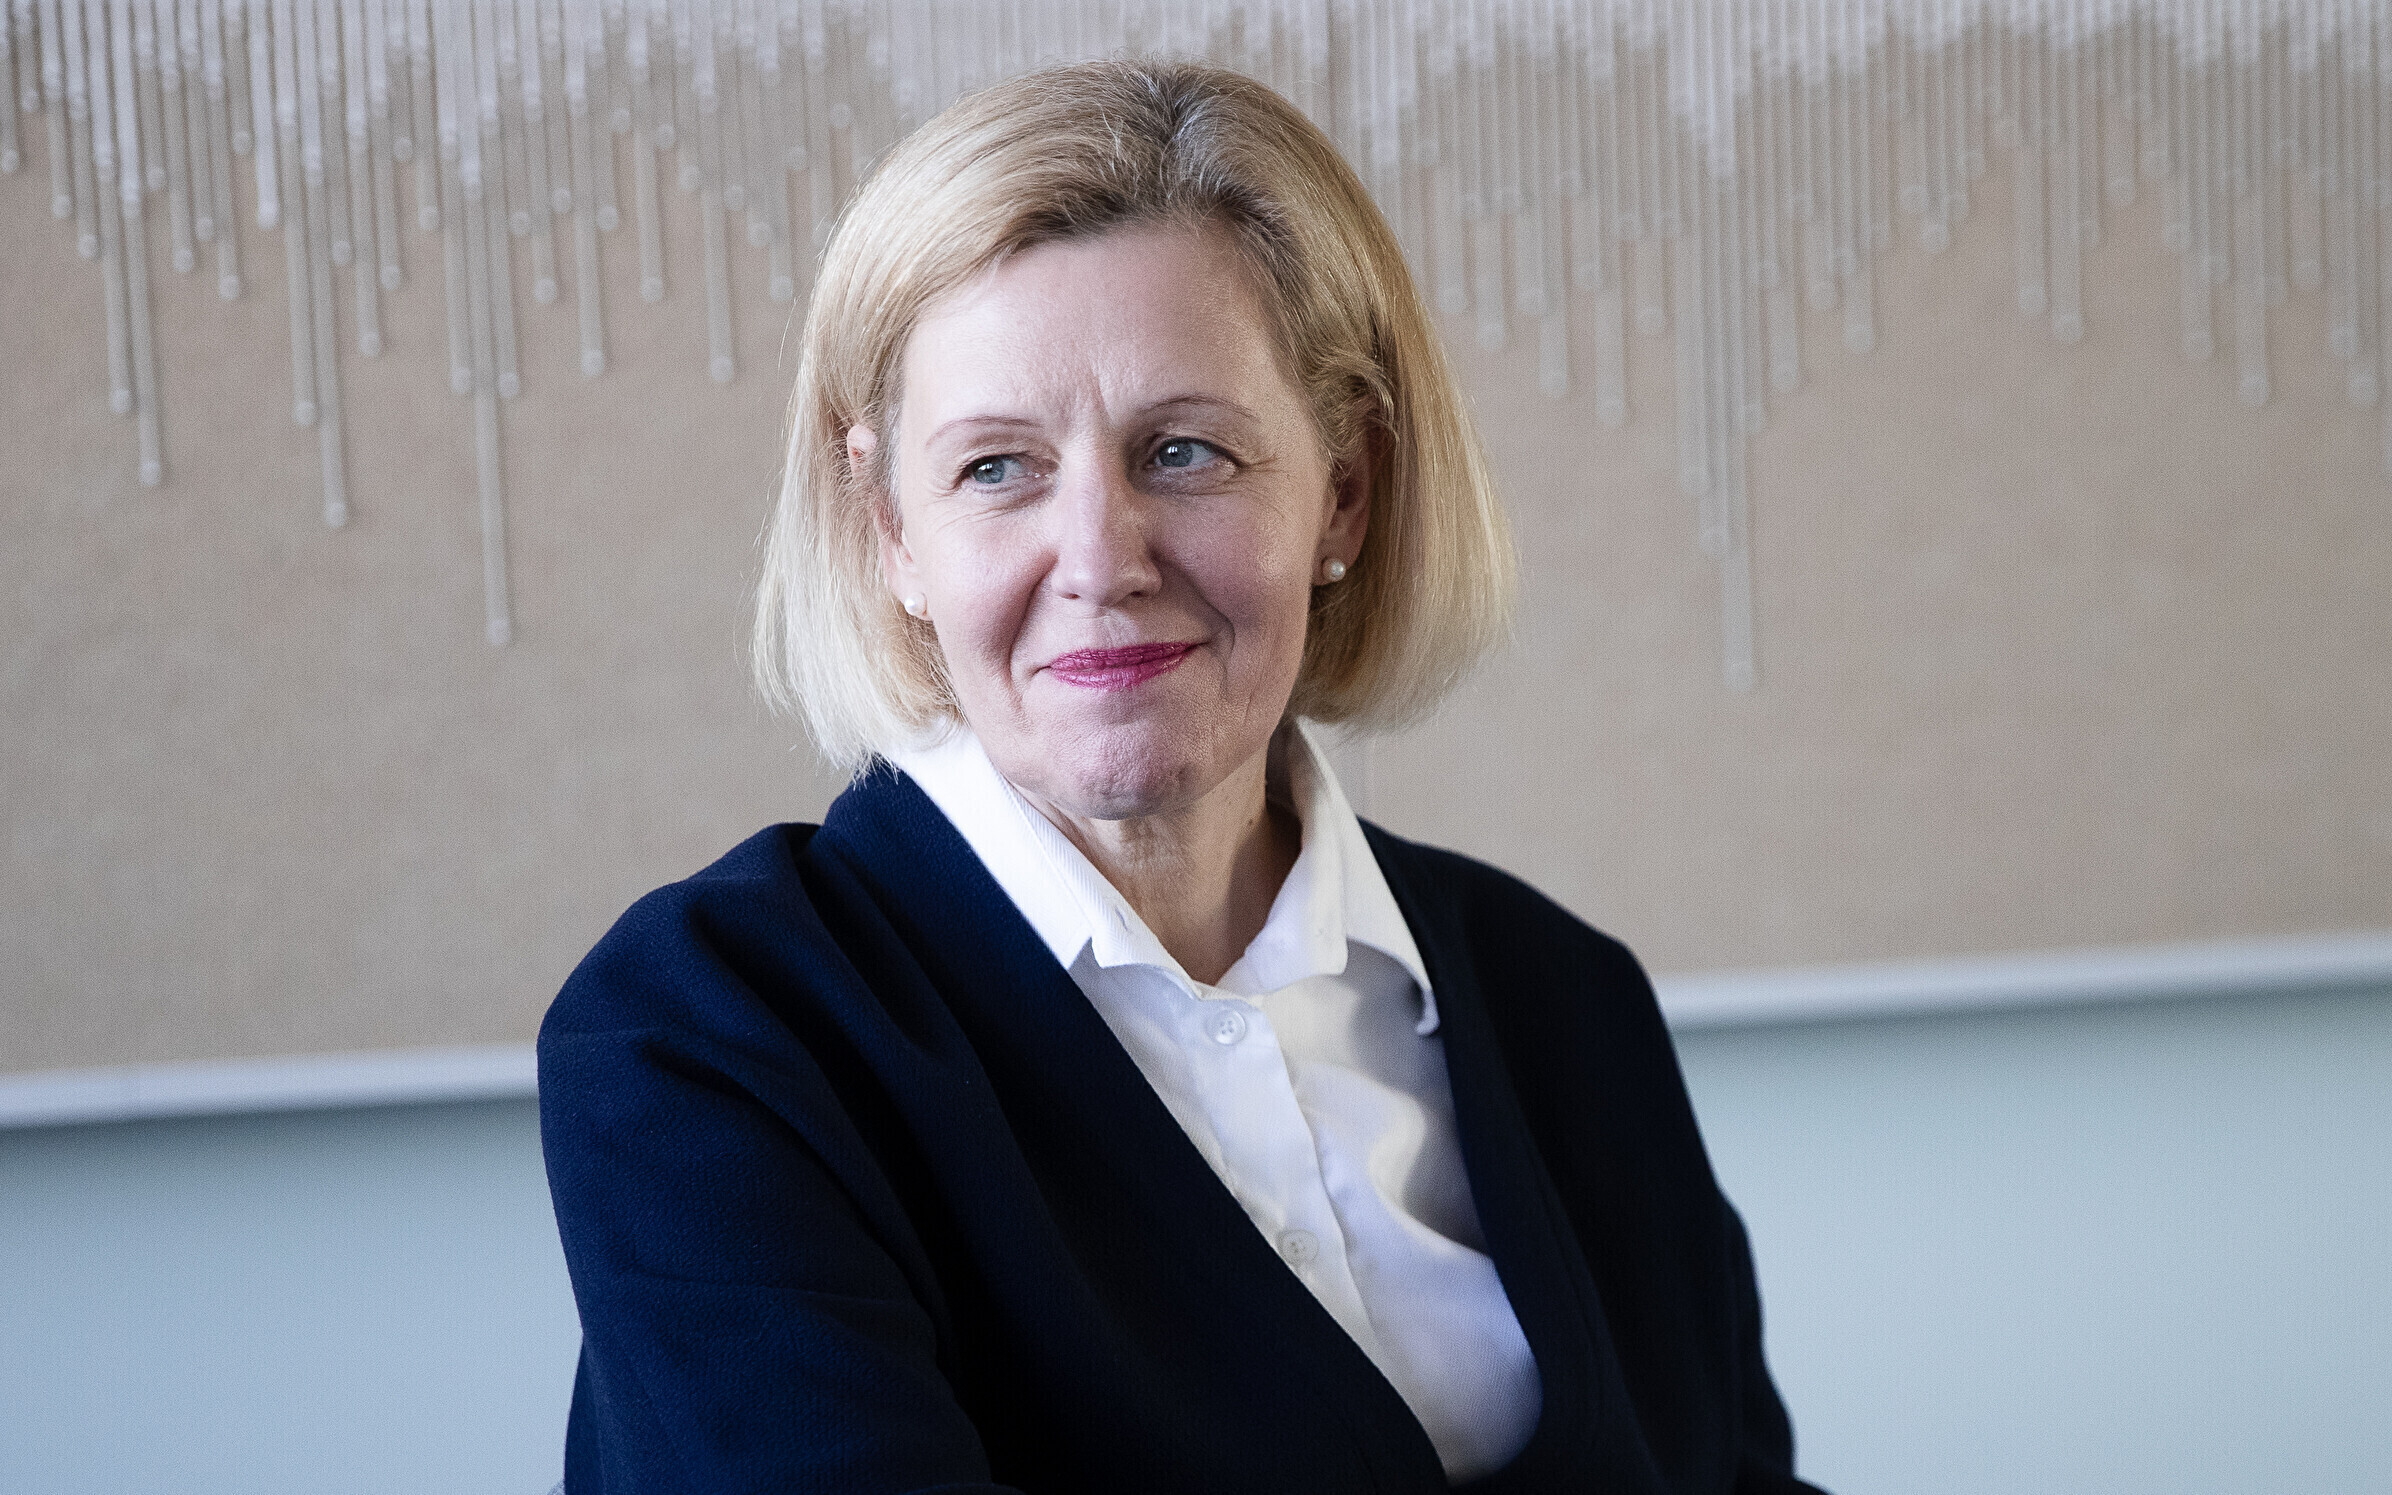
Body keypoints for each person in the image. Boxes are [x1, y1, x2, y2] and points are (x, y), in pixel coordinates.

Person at [538, 58, 1825, 1495]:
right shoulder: (712, 1037)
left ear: (1344, 492)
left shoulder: (1563, 1000)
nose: (1100, 561)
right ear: (890, 526)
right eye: (996, 469)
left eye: (1185, 452)